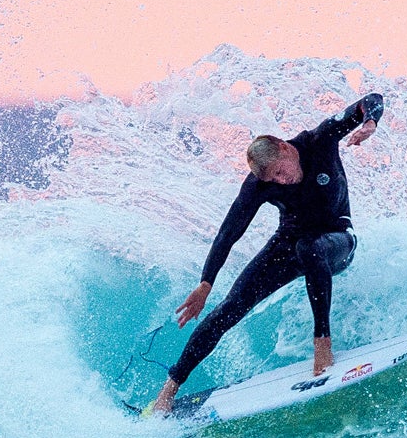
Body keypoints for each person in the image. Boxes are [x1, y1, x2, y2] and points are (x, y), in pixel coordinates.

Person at [147, 93, 385, 416]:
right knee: (230, 307)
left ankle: (322, 346)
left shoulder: (320, 140)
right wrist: (206, 283)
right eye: (273, 179)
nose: (280, 181)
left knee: (310, 247)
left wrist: (369, 122)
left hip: (338, 240)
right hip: (289, 244)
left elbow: (369, 100)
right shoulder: (259, 185)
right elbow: (228, 232)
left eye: (280, 172)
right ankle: (169, 388)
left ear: (286, 149)